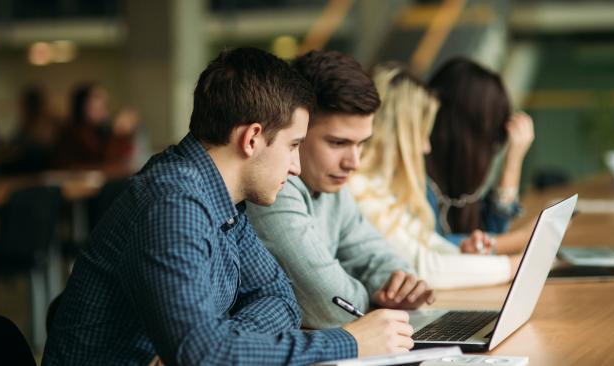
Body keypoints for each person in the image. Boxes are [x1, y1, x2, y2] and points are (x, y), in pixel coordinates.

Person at [42, 47, 415, 365]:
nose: (296, 166)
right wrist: (350, 342)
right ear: (252, 138)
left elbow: (280, 298)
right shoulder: (172, 203)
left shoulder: (223, 201)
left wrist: (223, 340)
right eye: (292, 145)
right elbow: (204, 355)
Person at [246, 50, 434, 330]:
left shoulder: (331, 185)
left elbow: (375, 255)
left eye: (361, 144)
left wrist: (400, 283)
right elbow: (331, 306)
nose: (353, 162)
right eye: (337, 143)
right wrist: (375, 296)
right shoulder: (273, 190)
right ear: (296, 130)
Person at [350, 63, 522, 289]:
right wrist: (515, 263)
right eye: (422, 134)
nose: (426, 147)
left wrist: (464, 254)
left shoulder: (379, 186)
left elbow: (428, 245)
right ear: (400, 135)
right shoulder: (358, 187)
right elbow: (424, 268)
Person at [425, 57, 535, 254]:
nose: (488, 155)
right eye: (489, 143)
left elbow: (488, 232)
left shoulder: (457, 186)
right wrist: (519, 240)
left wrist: (513, 162)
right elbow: (427, 248)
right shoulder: (417, 179)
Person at [54, 82, 139, 168]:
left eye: (106, 105)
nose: (106, 112)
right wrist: (119, 134)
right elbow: (104, 164)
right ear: (83, 105)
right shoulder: (73, 133)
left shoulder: (101, 131)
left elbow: (126, 160)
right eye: (101, 105)